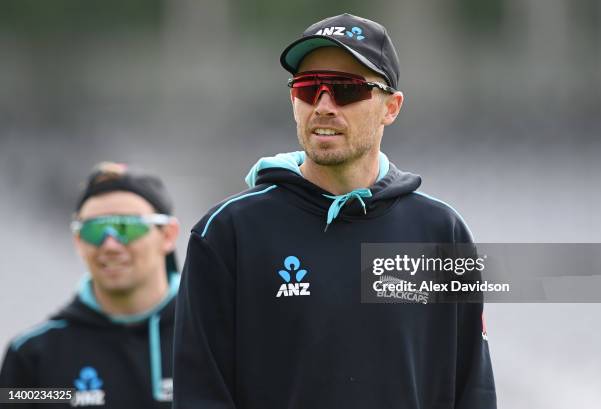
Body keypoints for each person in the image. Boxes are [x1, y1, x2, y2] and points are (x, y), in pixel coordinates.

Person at [174, 13, 496, 409]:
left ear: (391, 107)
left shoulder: (441, 232)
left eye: (346, 90)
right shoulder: (227, 233)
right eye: (308, 89)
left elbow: (473, 391)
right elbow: (200, 393)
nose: (323, 106)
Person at [0, 162, 180, 408]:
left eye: (125, 227)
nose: (110, 245)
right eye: (93, 231)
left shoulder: (215, 335)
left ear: (168, 235)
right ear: (77, 240)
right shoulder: (33, 355)